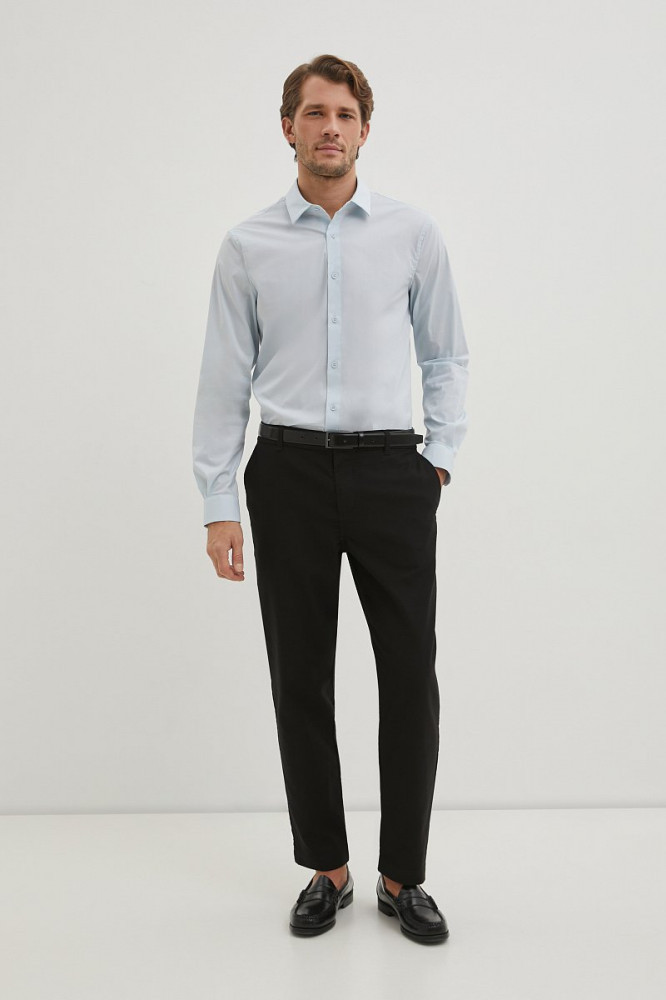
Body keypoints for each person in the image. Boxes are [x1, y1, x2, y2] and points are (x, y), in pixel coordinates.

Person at [192, 53, 470, 944]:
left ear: (364, 129)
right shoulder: (248, 246)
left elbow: (447, 354)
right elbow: (223, 380)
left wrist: (437, 461)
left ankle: (403, 876)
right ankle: (328, 868)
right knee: (300, 677)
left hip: (393, 473)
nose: (330, 128)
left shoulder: (411, 233)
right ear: (289, 127)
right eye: (315, 113)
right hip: (289, 475)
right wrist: (219, 501)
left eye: (345, 114)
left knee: (409, 677)